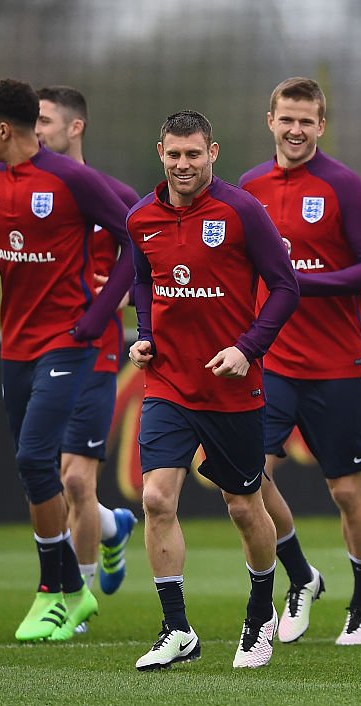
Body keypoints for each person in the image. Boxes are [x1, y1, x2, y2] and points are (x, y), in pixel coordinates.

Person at [0, 78, 136, 642]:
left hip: (70, 342)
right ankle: (73, 592)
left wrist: (100, 314)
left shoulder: (73, 179)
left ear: (3, 128)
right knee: (37, 471)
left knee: (37, 461)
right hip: (16, 346)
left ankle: (56, 593)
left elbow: (135, 239)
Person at [128, 110, 299, 671]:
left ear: (213, 153)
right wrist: (145, 337)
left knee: (244, 508)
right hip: (169, 382)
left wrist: (247, 349)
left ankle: (259, 616)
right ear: (161, 152)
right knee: (155, 498)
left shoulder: (241, 209)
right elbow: (144, 281)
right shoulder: (141, 219)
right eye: (174, 154)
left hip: (232, 388)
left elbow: (284, 287)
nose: (183, 164)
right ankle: (177, 628)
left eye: (193, 155)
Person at [239, 77, 361, 645]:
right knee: (248, 480)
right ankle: (301, 575)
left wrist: (308, 285)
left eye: (307, 120)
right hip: (269, 362)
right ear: (270, 120)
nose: (295, 129)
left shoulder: (342, 184)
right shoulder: (248, 185)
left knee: (347, 493)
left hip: (334, 363)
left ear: (320, 126)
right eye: (287, 119)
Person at [35, 86, 140, 614]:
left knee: (76, 478)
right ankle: (112, 523)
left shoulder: (110, 193)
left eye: (45, 121)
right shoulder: (31, 192)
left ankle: (74, 599)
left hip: (94, 347)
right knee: (55, 478)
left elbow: (144, 252)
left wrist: (113, 310)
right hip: (40, 349)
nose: (36, 130)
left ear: (75, 128)